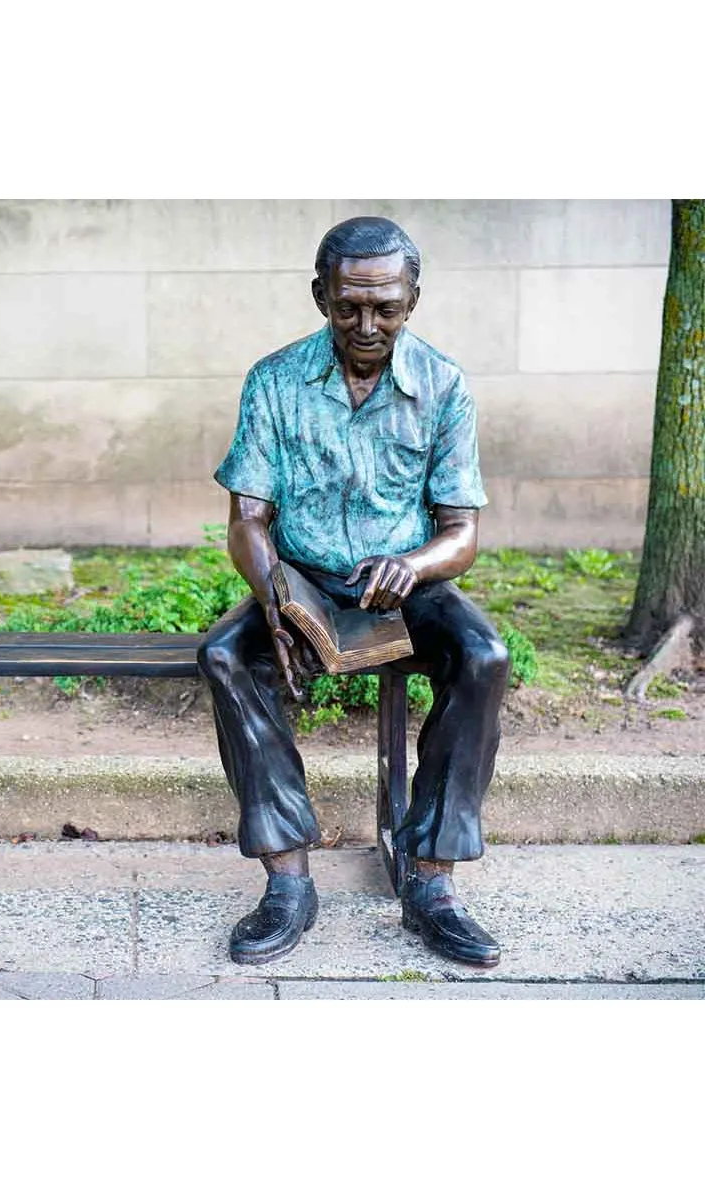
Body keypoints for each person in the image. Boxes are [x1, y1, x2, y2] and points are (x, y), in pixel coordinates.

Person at [198, 215, 510, 969]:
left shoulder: (443, 384)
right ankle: (287, 881)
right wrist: (272, 592)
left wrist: (420, 561)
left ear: (412, 299)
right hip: (299, 578)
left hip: (401, 583)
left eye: (386, 307)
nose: (367, 325)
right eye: (348, 307)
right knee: (225, 656)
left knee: (485, 656)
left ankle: (432, 882)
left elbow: (463, 531)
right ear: (320, 296)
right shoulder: (274, 380)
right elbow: (246, 516)